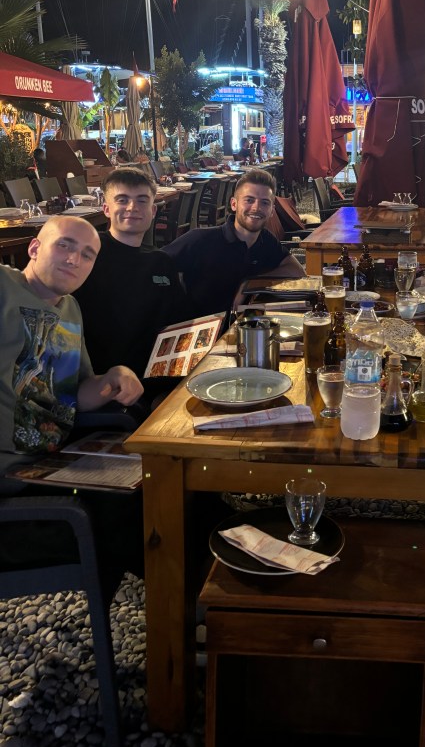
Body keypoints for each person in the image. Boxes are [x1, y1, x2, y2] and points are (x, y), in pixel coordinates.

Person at [0, 215, 145, 576]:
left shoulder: (70, 309)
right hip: (13, 496)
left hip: (52, 468)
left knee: (163, 485)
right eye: (64, 245)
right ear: (34, 248)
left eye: (87, 254)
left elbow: (74, 394)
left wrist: (114, 376)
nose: (73, 259)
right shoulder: (4, 286)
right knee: (140, 518)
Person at [73, 167, 189, 407]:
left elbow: (180, 323)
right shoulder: (87, 255)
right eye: (122, 200)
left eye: (142, 200)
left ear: (153, 211)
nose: (132, 207)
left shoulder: (161, 262)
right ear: (106, 209)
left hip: (161, 382)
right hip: (108, 388)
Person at [165, 167, 306, 317]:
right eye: (249, 200)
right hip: (203, 327)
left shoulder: (265, 240)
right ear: (234, 204)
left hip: (244, 325)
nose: (256, 208)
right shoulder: (201, 240)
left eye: (265, 203)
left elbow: (297, 270)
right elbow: (156, 266)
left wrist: (250, 283)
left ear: (272, 210)